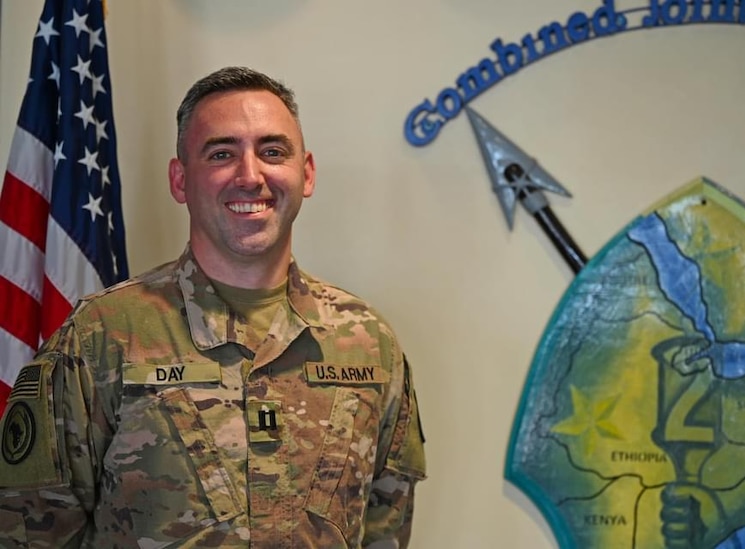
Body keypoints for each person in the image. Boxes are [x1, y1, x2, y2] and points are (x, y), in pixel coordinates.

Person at [0, 66, 426, 548]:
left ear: (305, 174)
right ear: (180, 180)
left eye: (272, 151)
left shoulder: (368, 343)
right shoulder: (102, 336)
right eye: (222, 153)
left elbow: (385, 529)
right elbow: (31, 531)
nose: (251, 176)